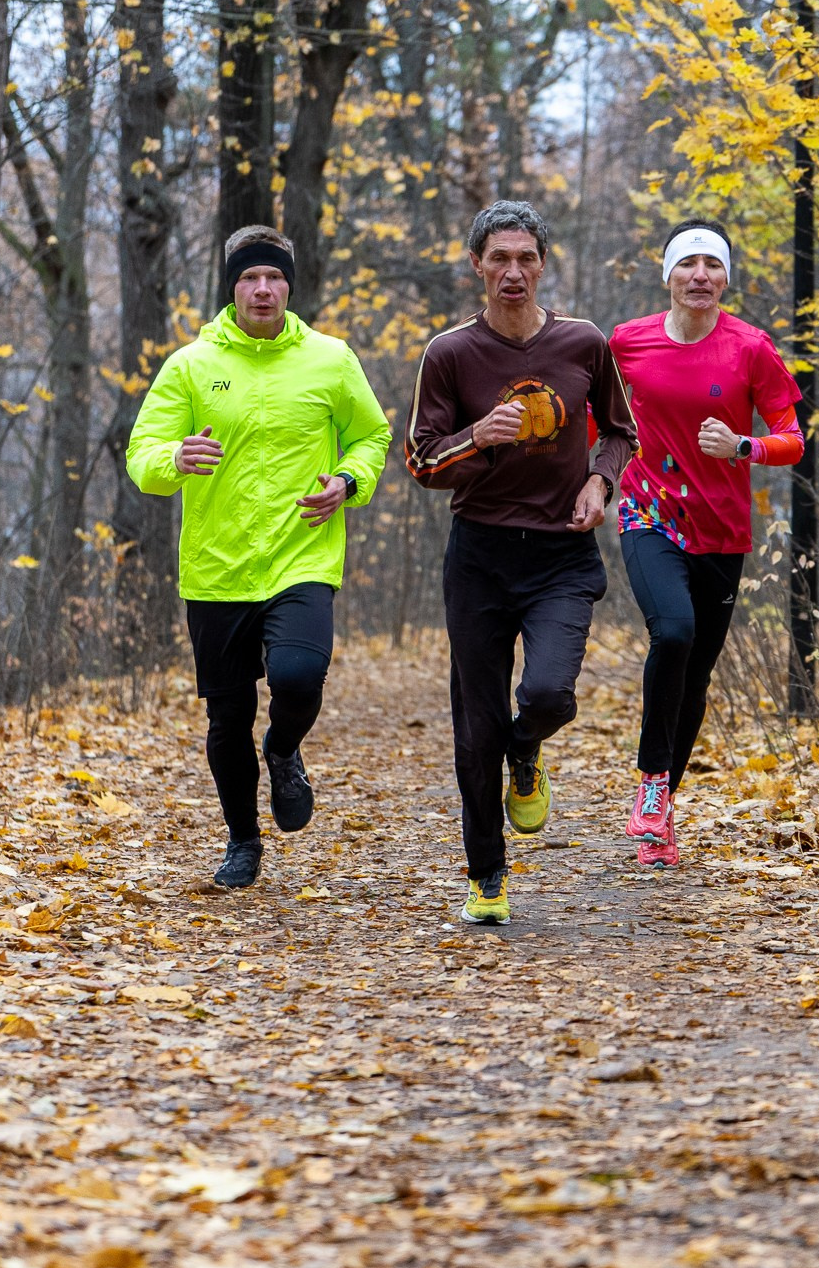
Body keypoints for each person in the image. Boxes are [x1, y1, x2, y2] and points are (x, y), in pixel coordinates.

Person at [126, 225, 392, 890]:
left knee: (300, 675)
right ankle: (243, 840)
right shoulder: (191, 364)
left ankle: (284, 748)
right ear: (233, 286)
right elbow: (142, 457)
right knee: (226, 715)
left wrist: (349, 482)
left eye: (274, 276)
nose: (264, 288)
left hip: (301, 554)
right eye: (250, 277)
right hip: (217, 568)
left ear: (289, 285)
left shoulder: (331, 359)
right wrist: (173, 458)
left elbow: (371, 434)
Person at [405, 200, 636, 925]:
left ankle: (526, 750)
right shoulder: (449, 353)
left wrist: (600, 482)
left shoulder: (583, 342)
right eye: (498, 258)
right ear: (476, 264)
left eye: (525, 258)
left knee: (545, 697)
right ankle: (487, 876)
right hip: (480, 555)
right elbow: (419, 459)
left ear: (543, 264)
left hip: (562, 552)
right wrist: (479, 433)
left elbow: (621, 431)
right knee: (474, 723)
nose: (513, 272)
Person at [609, 219, 804, 866]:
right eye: (687, 263)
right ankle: (651, 782)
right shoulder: (627, 342)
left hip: (722, 530)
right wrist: (586, 480)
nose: (699, 275)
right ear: (667, 275)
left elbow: (791, 436)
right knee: (674, 631)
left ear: (725, 278)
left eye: (711, 265)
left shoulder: (751, 348)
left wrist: (745, 445)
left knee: (694, 678)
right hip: (647, 512)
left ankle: (660, 817)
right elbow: (598, 420)